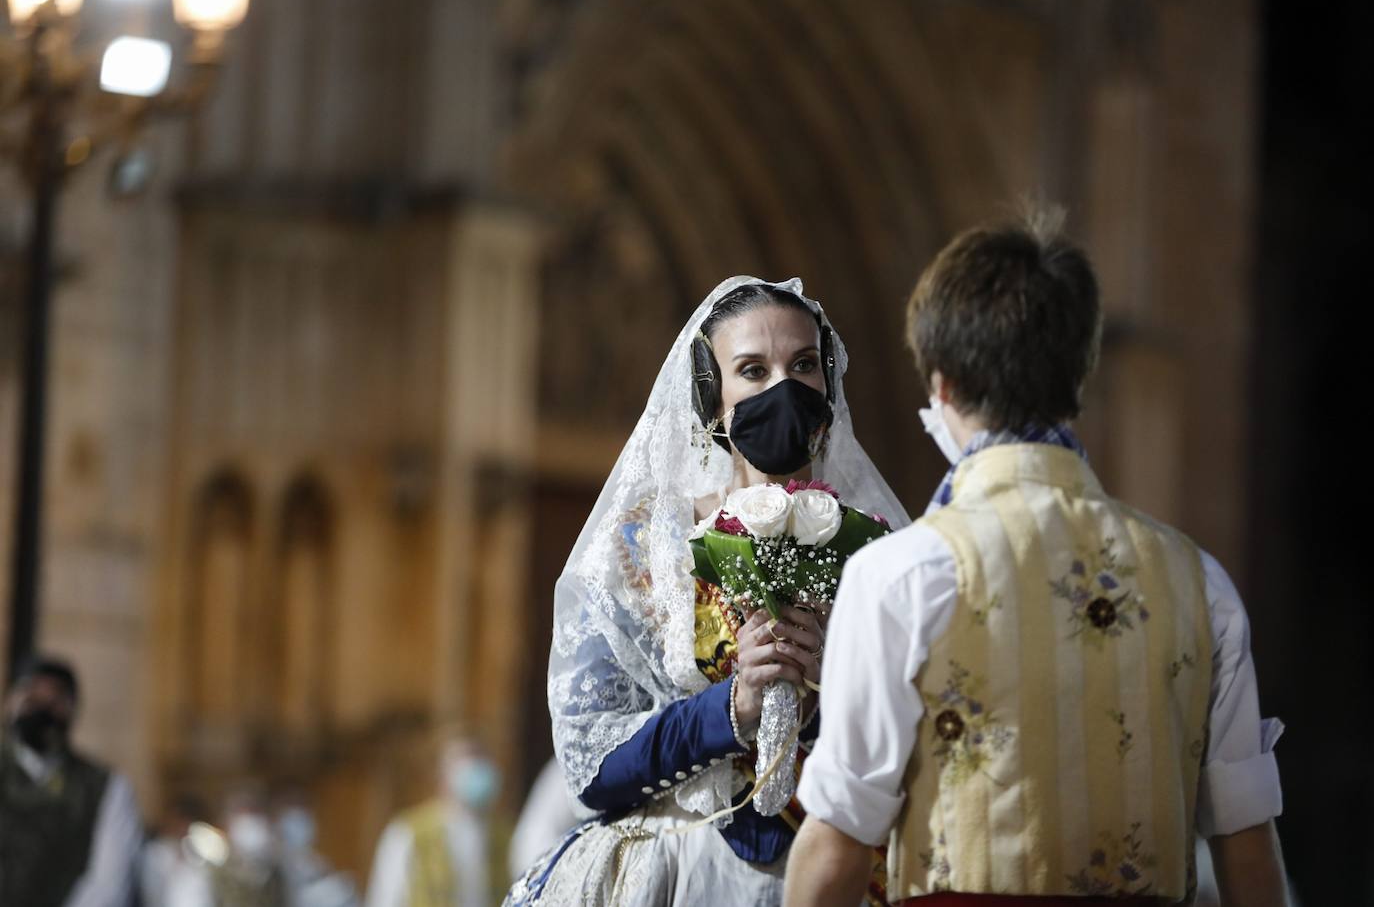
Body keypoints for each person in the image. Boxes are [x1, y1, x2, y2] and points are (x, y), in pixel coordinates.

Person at [783, 211, 1289, 906]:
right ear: (1079, 376)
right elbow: (1248, 848)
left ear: (943, 387)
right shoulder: (1198, 582)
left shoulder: (900, 574)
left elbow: (837, 845)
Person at [506, 277, 910, 905]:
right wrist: (732, 708)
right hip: (683, 871)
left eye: (804, 364)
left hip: (834, 875)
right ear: (711, 397)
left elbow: (919, 744)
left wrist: (833, 684)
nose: (784, 387)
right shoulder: (643, 552)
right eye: (752, 369)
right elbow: (590, 766)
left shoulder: (879, 555)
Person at [0, 655, 143, 907]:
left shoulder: (105, 787)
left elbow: (108, 885)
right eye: (32, 697)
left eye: (55, 699)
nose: (43, 707)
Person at [366, 732, 509, 907]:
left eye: (480, 758)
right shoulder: (407, 832)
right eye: (465, 761)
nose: (475, 769)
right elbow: (385, 900)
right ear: (442, 775)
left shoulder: (505, 834)